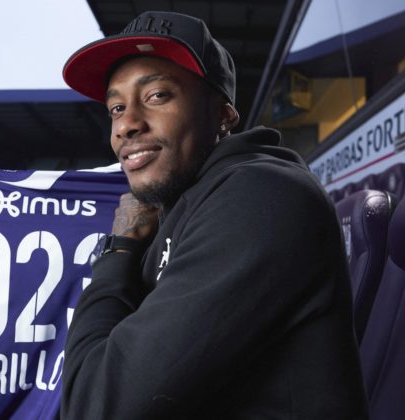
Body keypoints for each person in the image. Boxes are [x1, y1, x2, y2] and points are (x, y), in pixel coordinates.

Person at [60, 10, 369, 419]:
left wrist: (119, 249)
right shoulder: (185, 206)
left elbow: (94, 406)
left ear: (224, 115)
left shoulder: (259, 197)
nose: (126, 125)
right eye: (116, 108)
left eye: (157, 96)